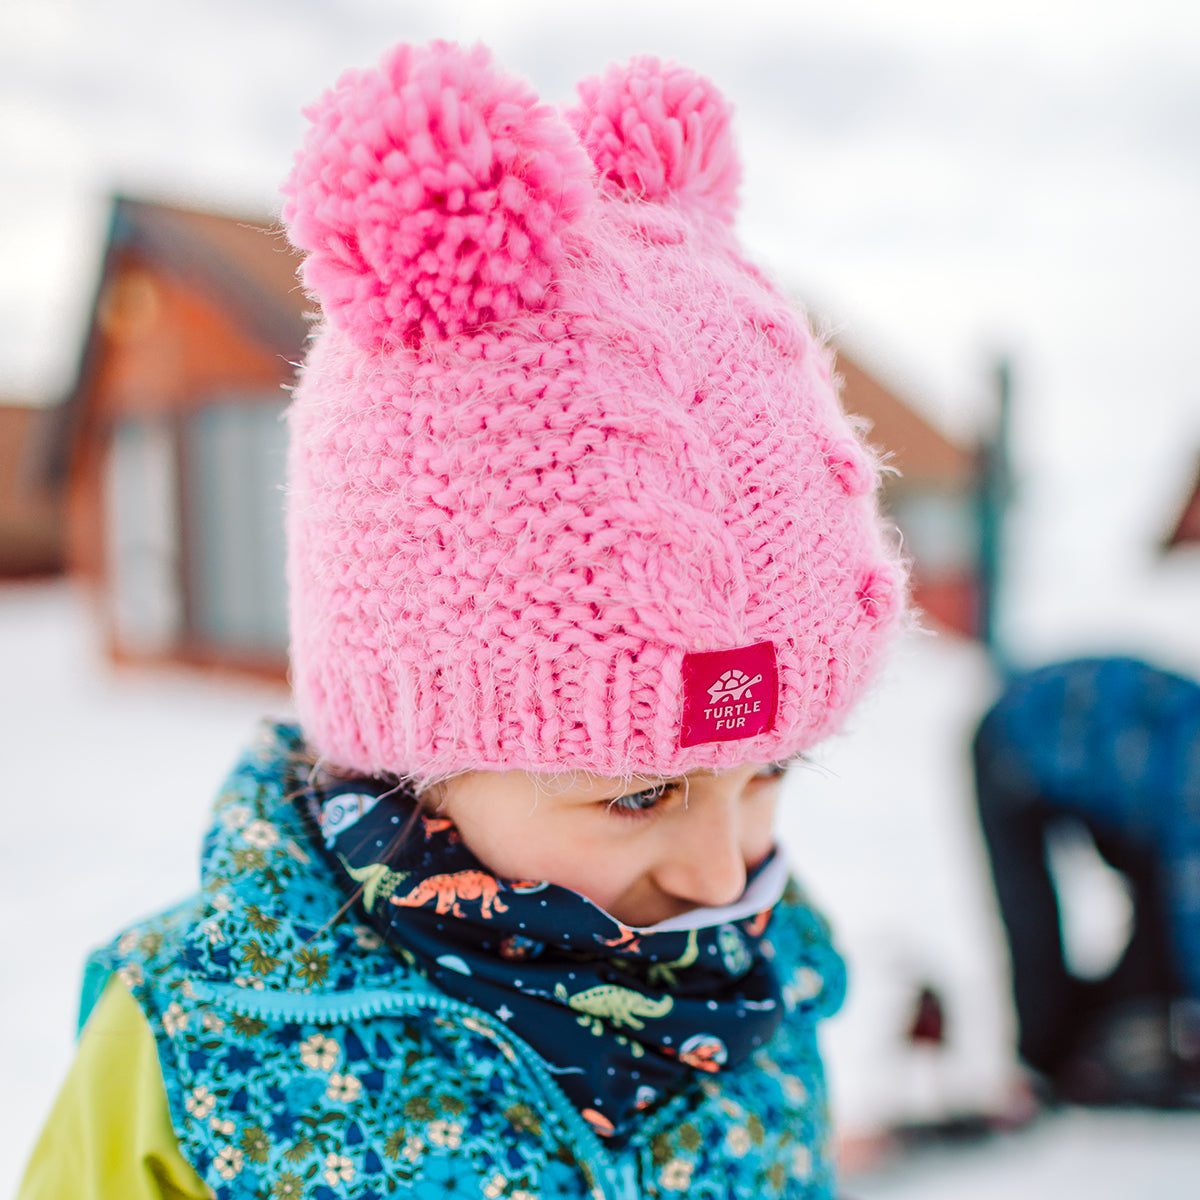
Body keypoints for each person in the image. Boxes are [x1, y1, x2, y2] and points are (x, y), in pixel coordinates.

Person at [19, 41, 905, 1199]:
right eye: (639, 793)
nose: (720, 873)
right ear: (417, 760)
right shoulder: (202, 1044)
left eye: (771, 770)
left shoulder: (761, 988)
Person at [972, 656, 1200, 1107]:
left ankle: (1099, 1033)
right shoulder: (1189, 783)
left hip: (1106, 766)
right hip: (1012, 743)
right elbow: (1190, 905)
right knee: (1033, 918)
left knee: (1158, 908)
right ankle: (1047, 1062)